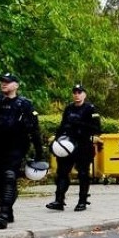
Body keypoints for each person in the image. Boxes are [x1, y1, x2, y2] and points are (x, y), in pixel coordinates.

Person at [0, 73, 45, 229]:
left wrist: (39, 155)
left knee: (9, 176)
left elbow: (34, 131)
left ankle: (4, 213)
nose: (4, 84)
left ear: (16, 85)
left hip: (15, 148)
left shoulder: (24, 105)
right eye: (2, 81)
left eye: (8, 82)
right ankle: (7, 208)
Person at [47, 84, 101, 212]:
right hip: (67, 144)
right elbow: (62, 126)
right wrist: (55, 142)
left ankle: (82, 201)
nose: (77, 95)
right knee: (62, 173)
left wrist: (79, 124)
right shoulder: (69, 108)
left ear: (84, 94)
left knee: (83, 174)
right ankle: (59, 200)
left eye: (79, 92)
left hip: (83, 145)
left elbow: (98, 129)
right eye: (75, 92)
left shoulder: (91, 109)